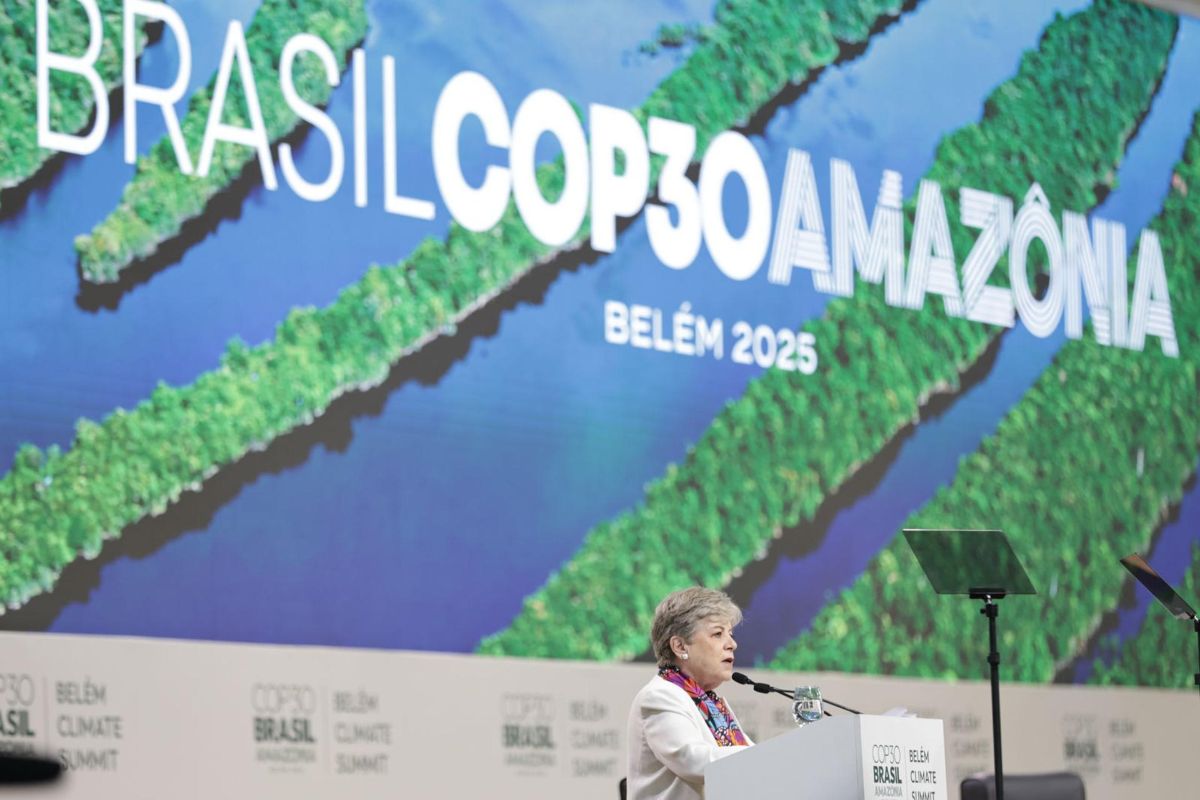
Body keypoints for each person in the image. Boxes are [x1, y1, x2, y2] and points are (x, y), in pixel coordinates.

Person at [626, 587, 753, 800]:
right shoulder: (659, 696)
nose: (732, 644)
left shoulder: (708, 702)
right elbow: (694, 761)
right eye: (718, 634)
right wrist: (767, 756)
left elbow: (751, 756)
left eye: (730, 634)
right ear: (679, 646)